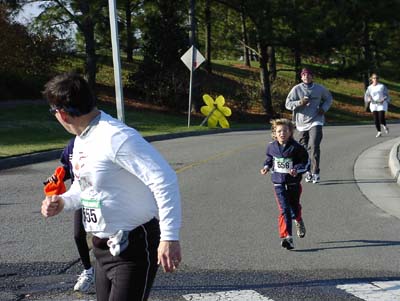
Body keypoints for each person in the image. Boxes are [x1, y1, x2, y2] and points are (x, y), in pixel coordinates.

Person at [40, 72, 182, 301]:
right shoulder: (81, 139)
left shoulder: (116, 137)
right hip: (102, 248)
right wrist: (64, 201)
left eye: (53, 111)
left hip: (134, 247)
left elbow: (164, 179)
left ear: (63, 114)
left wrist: (169, 237)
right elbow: (85, 186)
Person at [43, 137, 94, 293]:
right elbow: (67, 167)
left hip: (101, 196)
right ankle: (89, 271)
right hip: (80, 196)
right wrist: (57, 177)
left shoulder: (99, 140)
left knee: (104, 236)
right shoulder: (73, 144)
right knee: (78, 234)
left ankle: (111, 269)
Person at [260, 118, 309, 250]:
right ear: (274, 133)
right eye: (279, 131)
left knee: (294, 207)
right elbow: (269, 159)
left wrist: (296, 169)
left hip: (293, 183)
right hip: (278, 183)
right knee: (284, 209)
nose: (282, 133)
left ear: (290, 132)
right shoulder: (271, 146)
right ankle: (287, 237)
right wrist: (266, 166)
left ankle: (298, 220)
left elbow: (305, 163)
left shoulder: (297, 148)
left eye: (285, 131)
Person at [285, 68, 333, 184]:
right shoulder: (296, 89)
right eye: (304, 75)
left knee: (314, 145)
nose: (306, 76)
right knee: (304, 148)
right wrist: (299, 103)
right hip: (301, 123)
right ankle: (308, 171)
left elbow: (329, 98)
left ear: (312, 76)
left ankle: (315, 171)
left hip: (316, 120)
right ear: (301, 77)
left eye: (309, 74)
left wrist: (323, 109)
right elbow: (287, 104)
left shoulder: (319, 88)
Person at [364, 73, 390, 138]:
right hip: (373, 104)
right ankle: (379, 132)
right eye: (374, 78)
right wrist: (368, 99)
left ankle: (385, 125)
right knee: (376, 119)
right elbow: (367, 95)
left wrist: (383, 99)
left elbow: (386, 94)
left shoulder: (382, 86)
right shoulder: (369, 87)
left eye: (377, 78)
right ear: (372, 79)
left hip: (381, 103)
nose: (375, 79)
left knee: (381, 118)